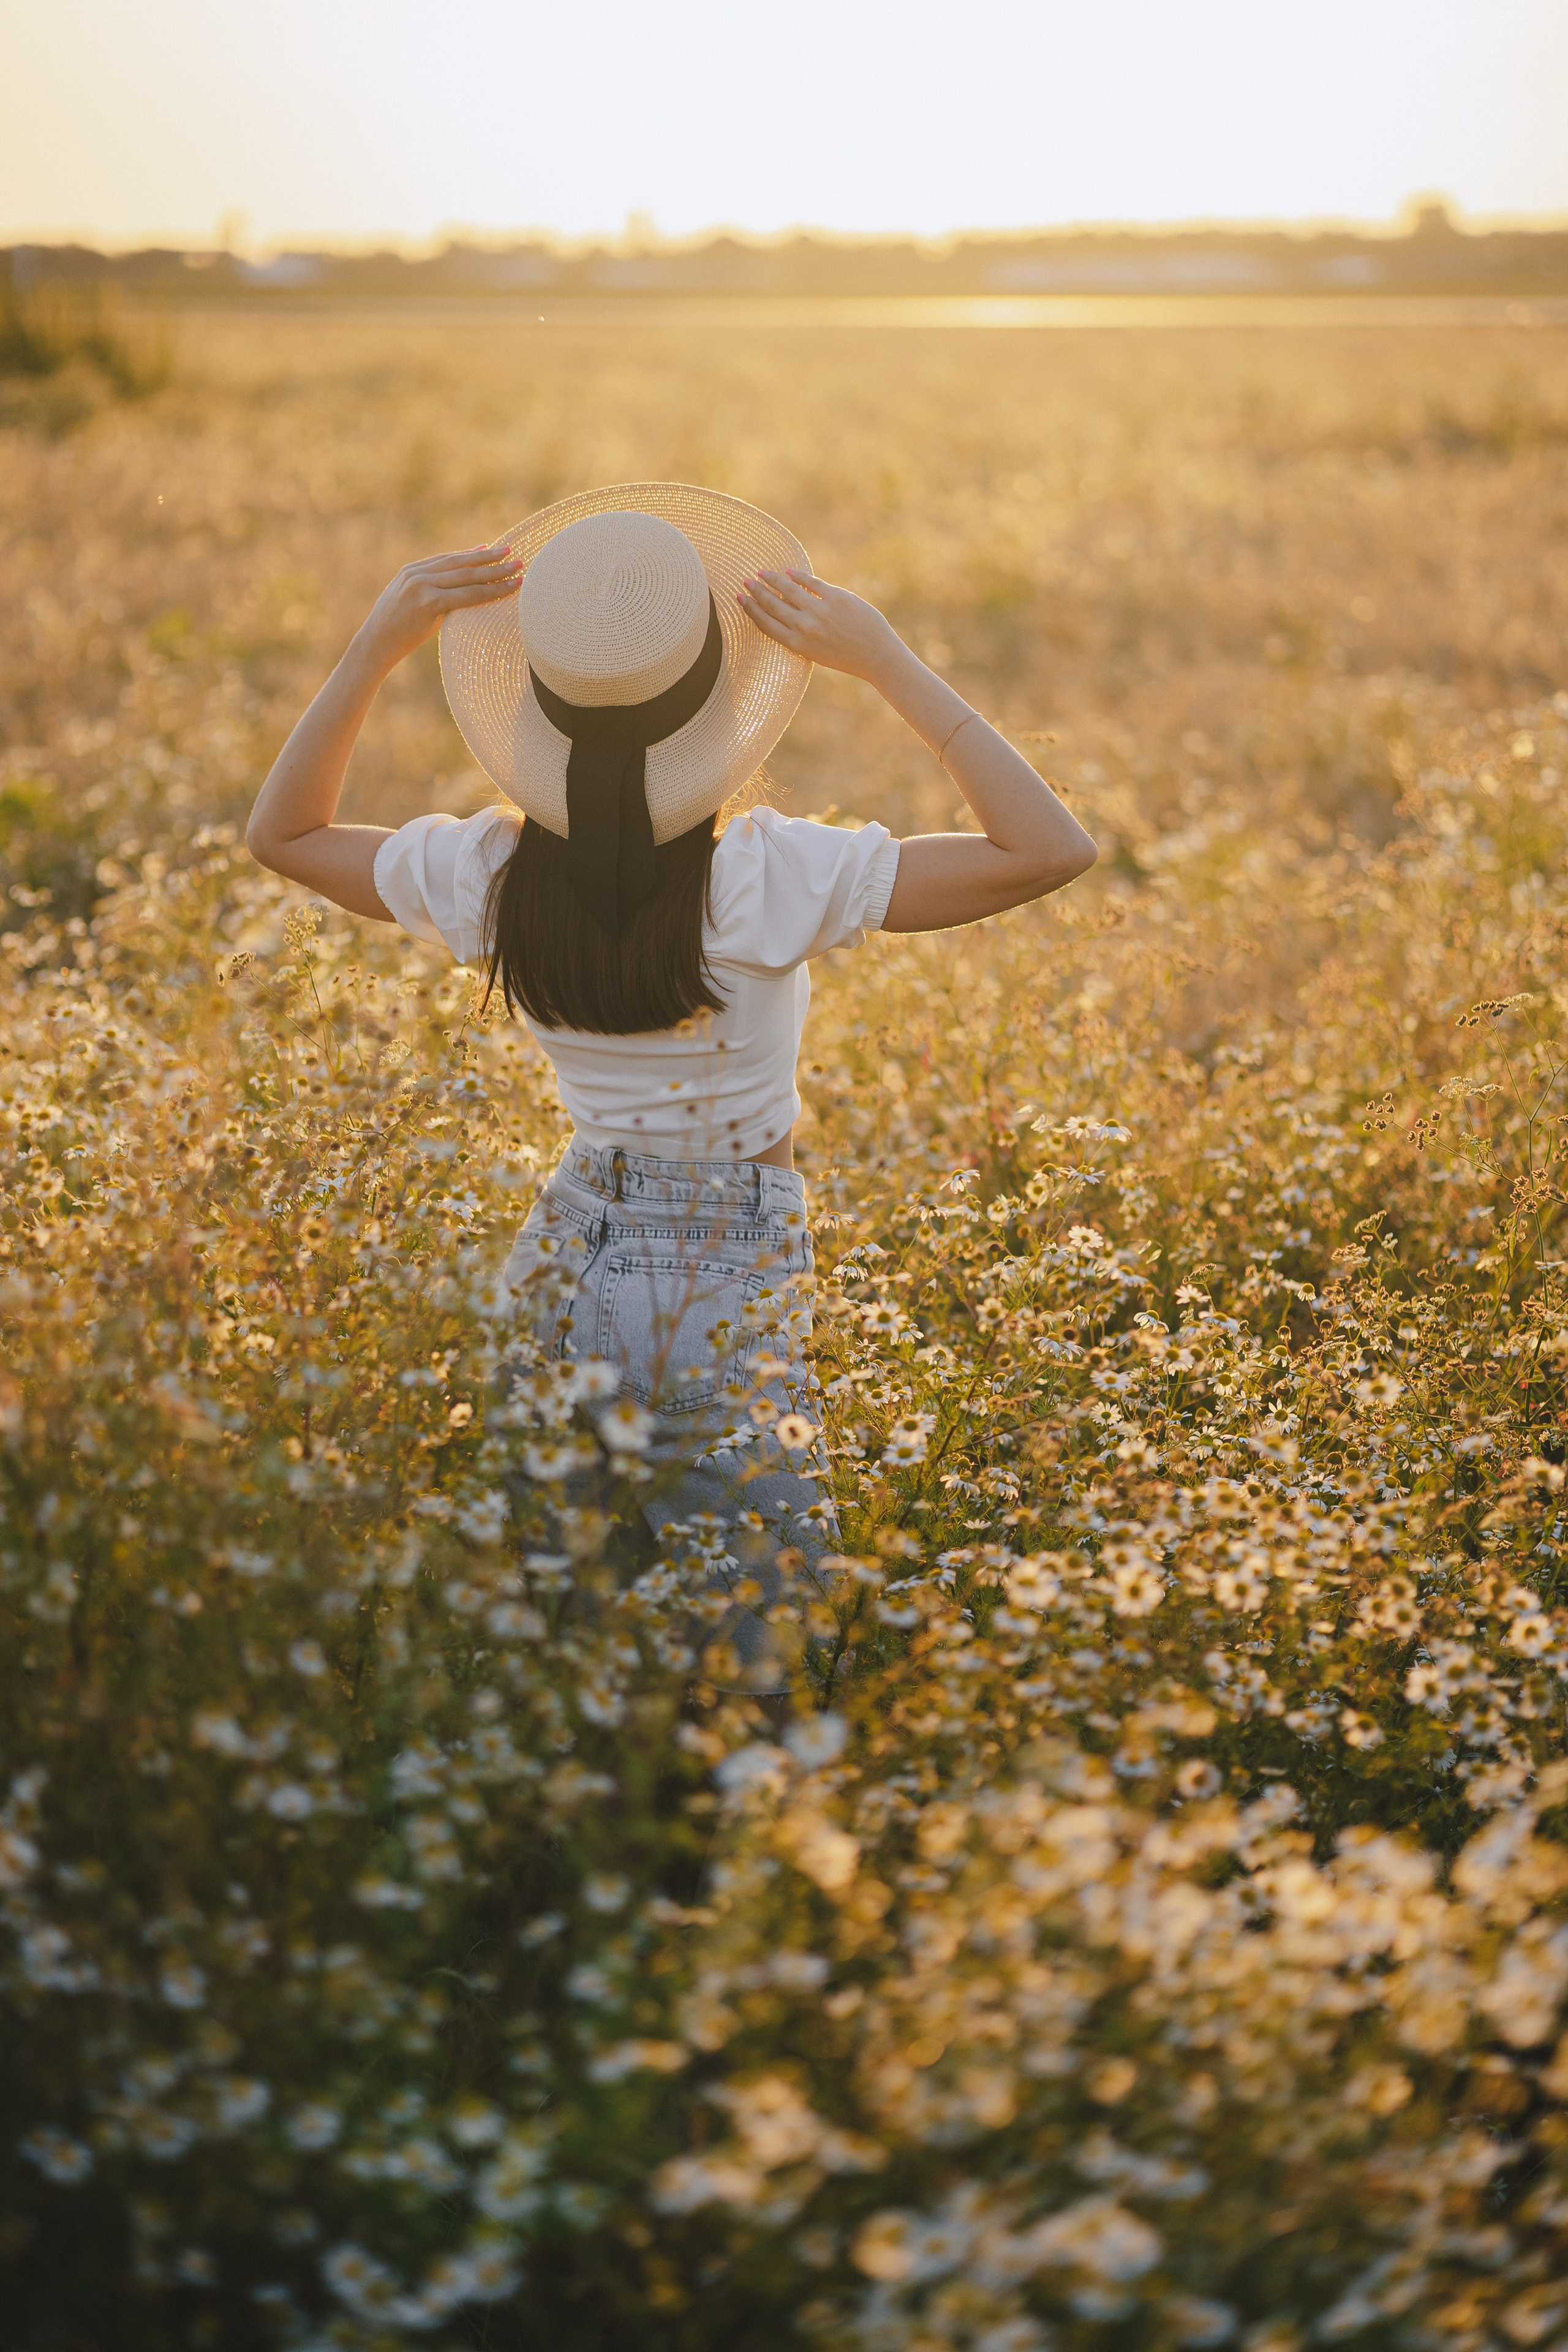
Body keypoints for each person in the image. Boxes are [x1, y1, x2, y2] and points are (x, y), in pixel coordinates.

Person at [246, 484, 1096, 1689]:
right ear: (715, 702)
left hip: (561, 1247)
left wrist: (377, 642)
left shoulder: (487, 871)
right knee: (760, 1643)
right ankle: (727, 1863)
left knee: (569, 1640)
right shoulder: (762, 876)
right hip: (718, 1267)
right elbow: (1047, 849)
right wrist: (886, 660)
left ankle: (576, 1864)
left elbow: (282, 835)